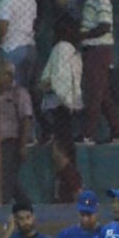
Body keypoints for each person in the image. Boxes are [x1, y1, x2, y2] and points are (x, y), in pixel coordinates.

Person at [78, 0, 119, 145]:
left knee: (94, 93)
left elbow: (105, 26)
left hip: (99, 50)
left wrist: (83, 36)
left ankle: (87, 134)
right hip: (92, 50)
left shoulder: (102, 1)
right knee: (104, 95)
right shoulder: (90, 1)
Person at [0, 61, 34, 204]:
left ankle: (2, 205)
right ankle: (26, 205)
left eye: (10, 75)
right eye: (5, 74)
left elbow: (26, 118)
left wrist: (23, 145)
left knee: (6, 178)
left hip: (12, 141)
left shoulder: (19, 93)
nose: (9, 78)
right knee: (8, 178)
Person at [38, 17, 83, 147]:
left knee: (61, 126)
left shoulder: (61, 47)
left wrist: (55, 90)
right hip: (69, 96)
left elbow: (58, 72)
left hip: (59, 97)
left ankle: (55, 140)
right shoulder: (74, 50)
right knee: (65, 128)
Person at [0, 0, 38, 90]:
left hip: (11, 48)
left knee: (8, 89)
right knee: (24, 91)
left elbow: (3, 28)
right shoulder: (31, 0)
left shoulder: (6, 1)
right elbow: (33, 24)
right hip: (30, 48)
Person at [51, 137, 82, 203]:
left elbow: (78, 194)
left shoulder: (71, 174)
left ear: (64, 154)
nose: (53, 157)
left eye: (56, 155)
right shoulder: (59, 173)